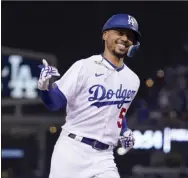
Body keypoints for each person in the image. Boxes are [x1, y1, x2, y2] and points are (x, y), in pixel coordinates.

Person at [38, 14, 141, 178]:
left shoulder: (133, 80)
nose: (125, 38)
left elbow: (116, 112)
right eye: (120, 32)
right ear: (105, 34)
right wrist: (44, 87)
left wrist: (125, 131)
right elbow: (54, 103)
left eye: (130, 36)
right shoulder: (84, 67)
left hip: (104, 157)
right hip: (72, 151)